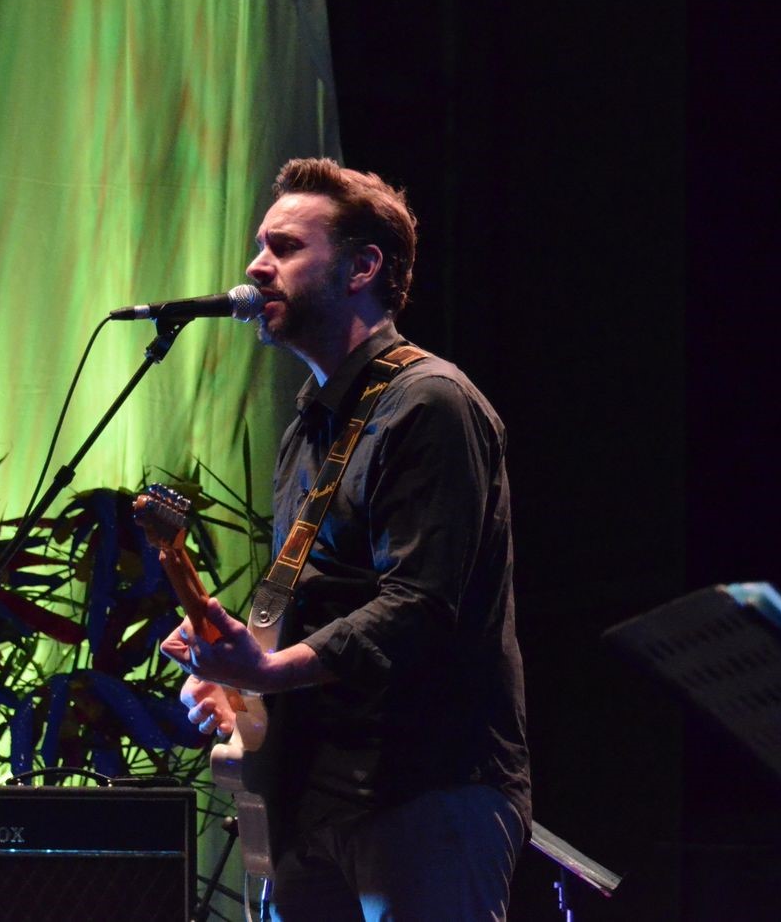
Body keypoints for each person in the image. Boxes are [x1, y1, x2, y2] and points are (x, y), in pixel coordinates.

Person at [158, 157, 530, 920]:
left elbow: (420, 606)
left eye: (286, 247)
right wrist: (236, 676)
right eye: (260, 246)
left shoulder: (431, 404)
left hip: (423, 789)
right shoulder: (310, 425)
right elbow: (323, 599)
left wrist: (270, 670)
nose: (257, 267)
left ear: (363, 267)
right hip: (314, 795)